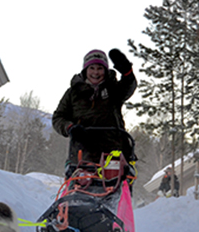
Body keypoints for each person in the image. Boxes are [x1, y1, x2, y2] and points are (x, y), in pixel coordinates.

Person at [52, 49, 137, 177]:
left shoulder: (114, 89)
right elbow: (58, 117)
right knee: (81, 188)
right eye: (92, 68)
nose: (95, 73)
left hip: (112, 150)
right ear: (85, 70)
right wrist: (70, 128)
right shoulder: (73, 93)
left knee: (114, 186)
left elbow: (128, 87)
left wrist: (127, 73)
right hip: (82, 151)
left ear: (105, 70)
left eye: (100, 68)